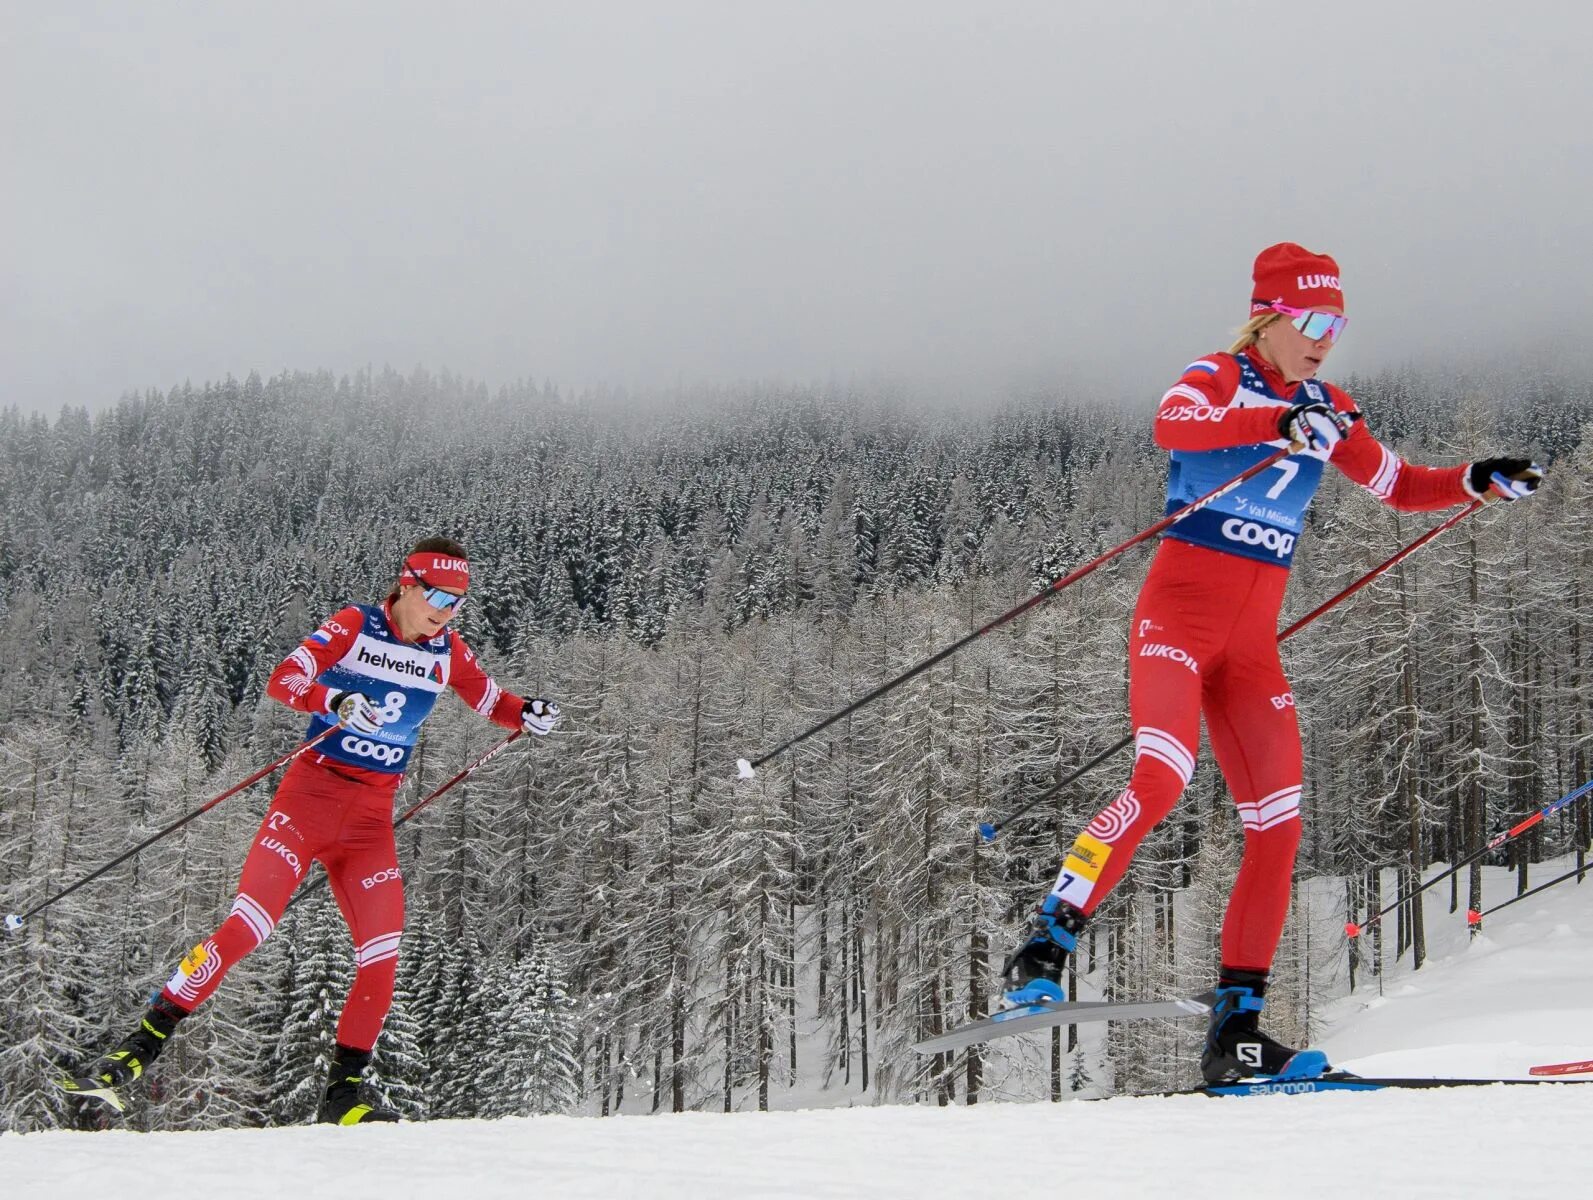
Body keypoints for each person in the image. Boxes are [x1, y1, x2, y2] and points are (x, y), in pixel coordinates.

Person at [999, 243, 1543, 1085]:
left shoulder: (1329, 406)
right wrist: (1272, 423)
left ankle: (1238, 1031)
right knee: (1161, 777)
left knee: (1278, 826)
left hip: (1249, 650)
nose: (1326, 338)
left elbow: (1396, 484)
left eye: (1338, 324)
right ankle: (1045, 942)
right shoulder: (1216, 378)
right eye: (1314, 321)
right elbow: (1169, 426)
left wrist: (1474, 479)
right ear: (1271, 317)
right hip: (1176, 622)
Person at [58, 536, 563, 1122]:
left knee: (382, 953)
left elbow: (490, 698)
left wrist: (527, 712)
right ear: (406, 583)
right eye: (437, 595)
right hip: (306, 804)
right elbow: (285, 679)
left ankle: (343, 1097)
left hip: (370, 824)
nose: (446, 610)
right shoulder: (355, 625)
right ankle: (137, 1050)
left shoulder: (449, 650)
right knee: (249, 928)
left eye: (458, 600)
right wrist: (337, 699)